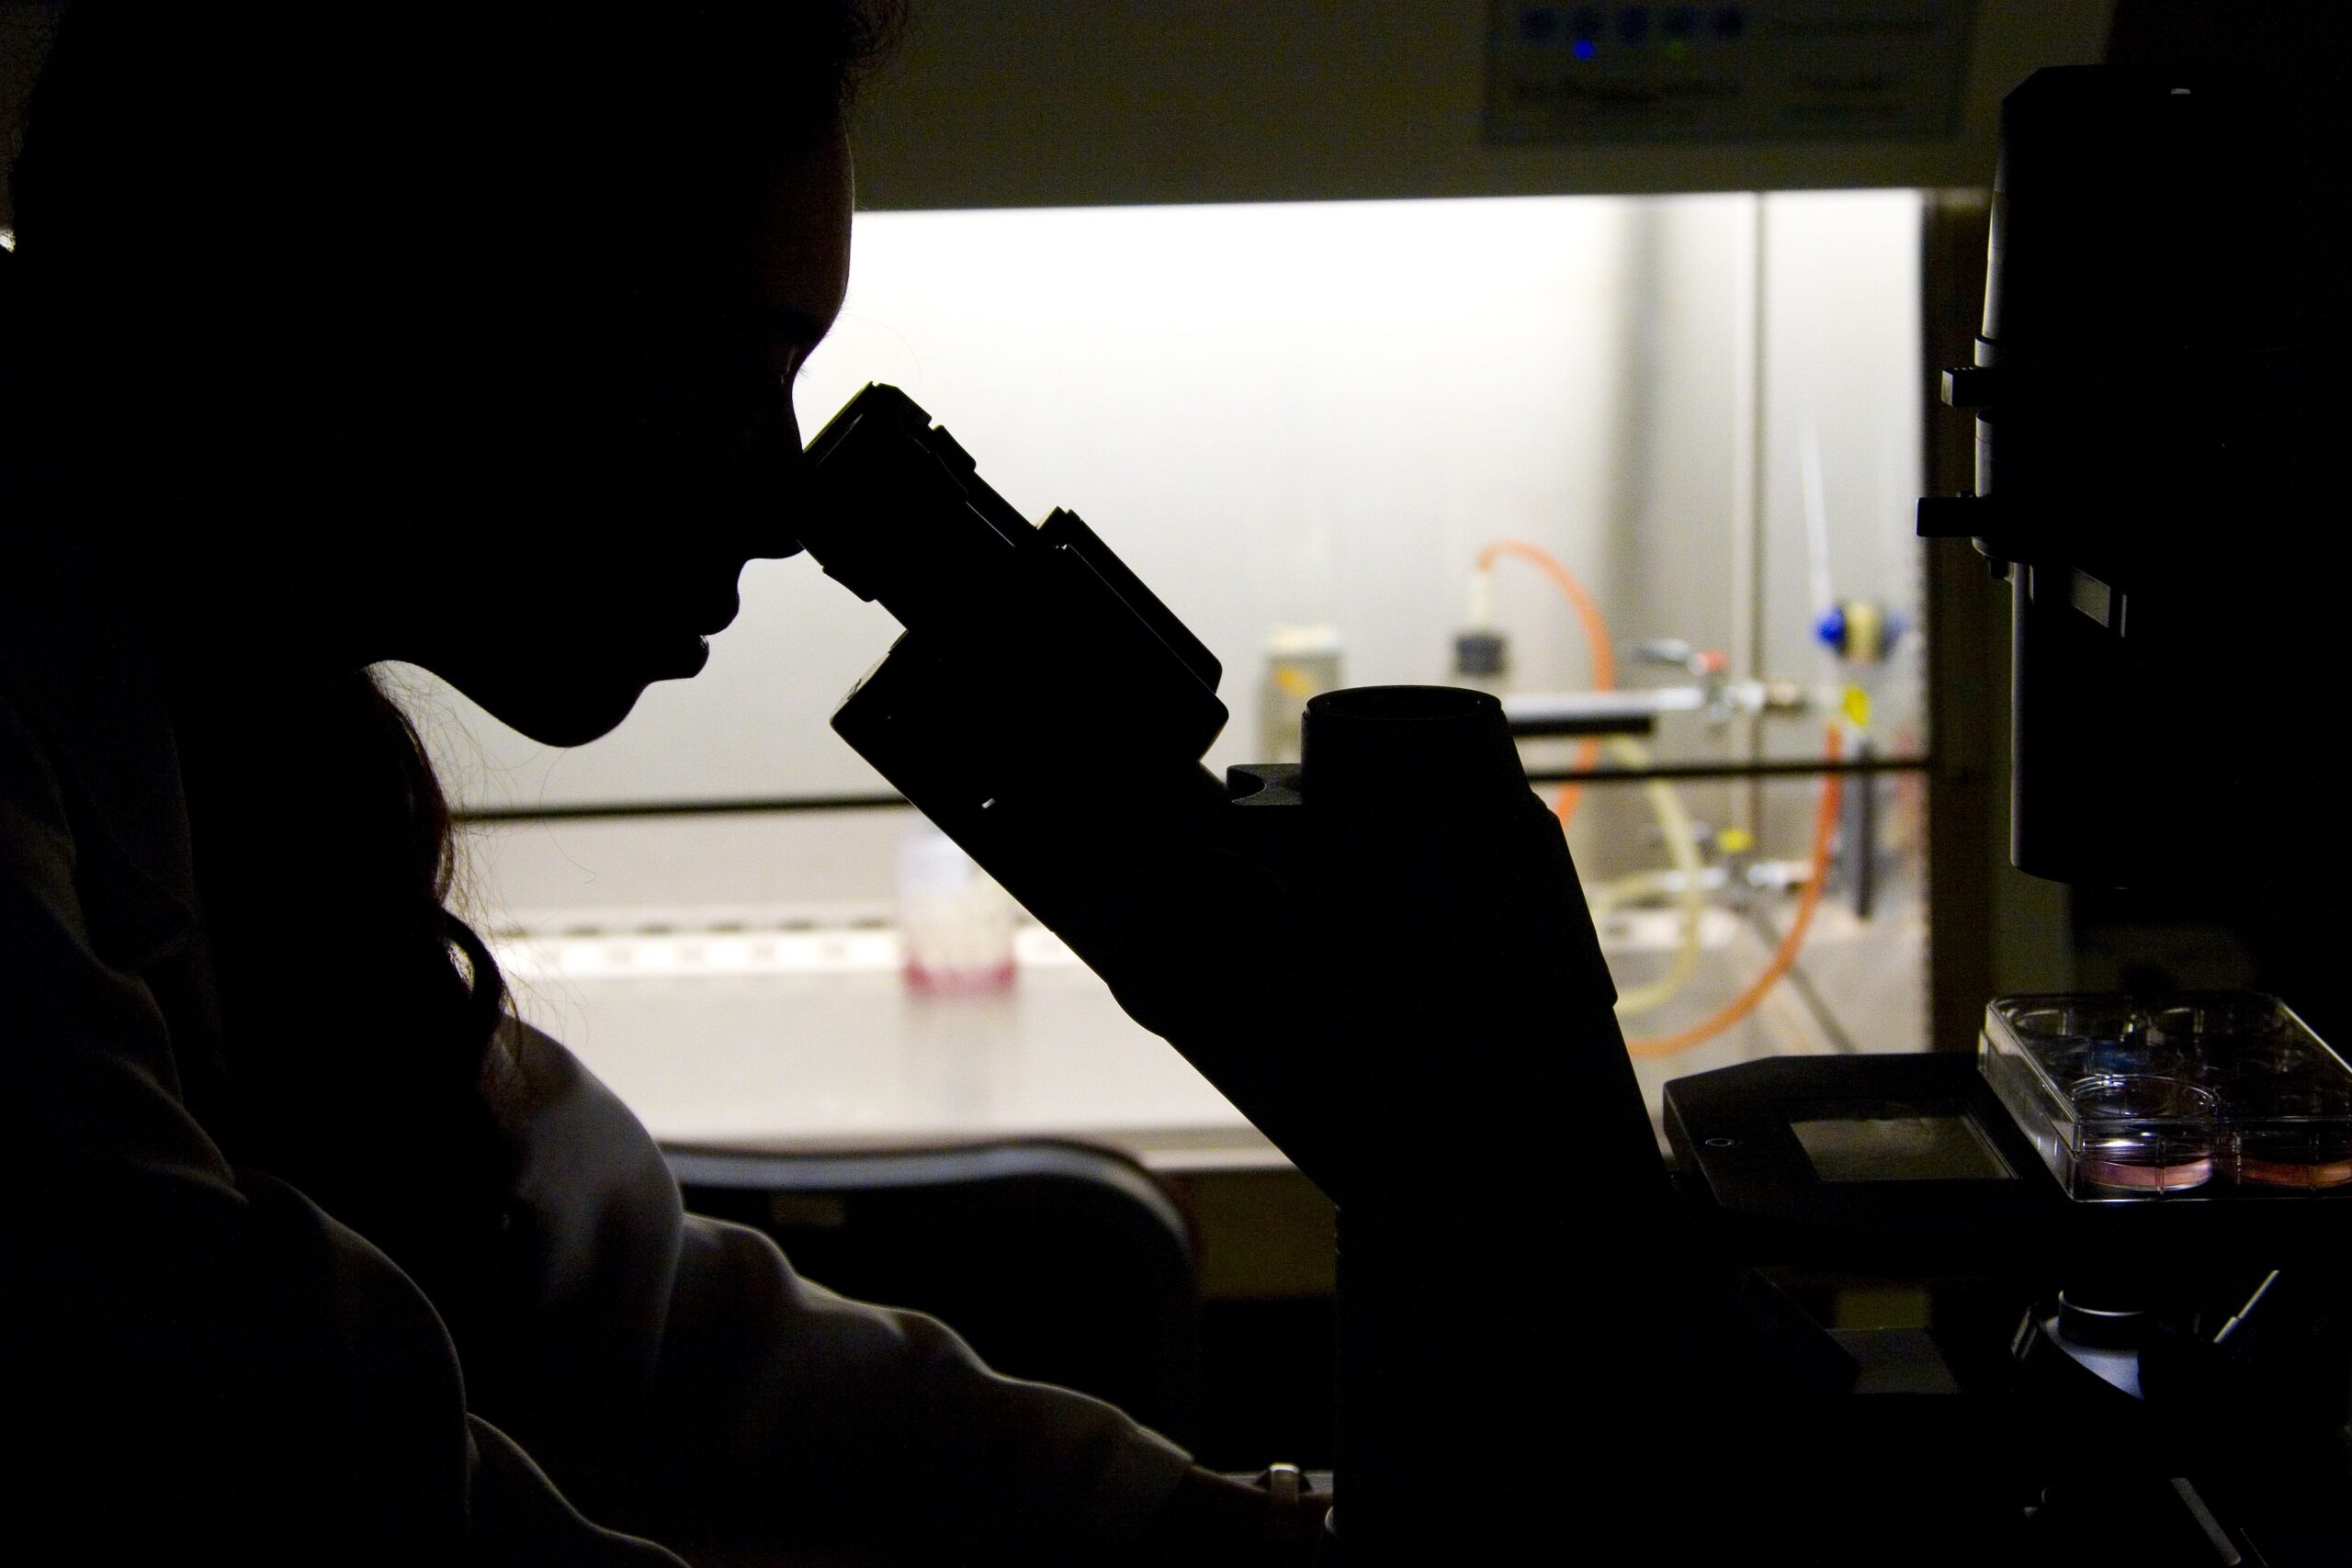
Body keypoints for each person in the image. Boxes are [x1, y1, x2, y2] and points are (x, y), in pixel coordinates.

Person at [0, 4, 1319, 1562]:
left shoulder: (240, 738)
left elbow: (649, 1326)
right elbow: (259, 1464)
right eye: (710, 369)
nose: (777, 507)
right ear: (383, 287)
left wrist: (1216, 1538)